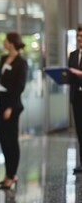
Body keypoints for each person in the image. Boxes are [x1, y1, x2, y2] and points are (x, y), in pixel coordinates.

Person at [0, 32, 27, 190]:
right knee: (1, 135)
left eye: (5, 40)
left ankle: (12, 174)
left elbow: (20, 86)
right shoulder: (3, 59)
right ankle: (8, 172)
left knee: (11, 140)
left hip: (12, 105)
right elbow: (2, 80)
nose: (3, 42)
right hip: (1, 102)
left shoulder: (21, 63)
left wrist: (10, 107)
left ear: (11, 43)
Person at [68, 25, 82, 174]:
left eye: (81, 36)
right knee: (79, 131)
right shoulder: (72, 55)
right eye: (77, 36)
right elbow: (69, 75)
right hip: (76, 98)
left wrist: (79, 73)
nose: (79, 39)